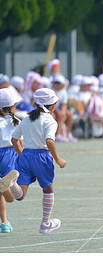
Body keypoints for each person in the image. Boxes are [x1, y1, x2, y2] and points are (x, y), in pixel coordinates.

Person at [6, 88, 66, 234]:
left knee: (20, 195)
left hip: (25, 156)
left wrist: (21, 155)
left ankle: (12, 184)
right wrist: (58, 159)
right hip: (42, 156)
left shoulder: (26, 119)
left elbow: (14, 139)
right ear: (52, 106)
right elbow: (49, 141)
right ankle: (45, 223)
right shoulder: (50, 121)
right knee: (48, 188)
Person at [0, 88, 23, 233]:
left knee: (2, 192)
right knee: (11, 197)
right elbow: (19, 144)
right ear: (13, 106)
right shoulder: (17, 122)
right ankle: (5, 222)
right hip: (10, 155)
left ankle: (5, 222)